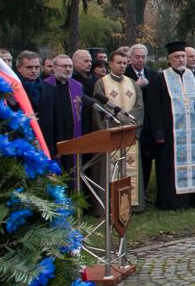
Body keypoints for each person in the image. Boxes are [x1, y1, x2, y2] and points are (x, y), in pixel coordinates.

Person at [148, 41, 195, 210]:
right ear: (169, 60)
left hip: (193, 132)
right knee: (169, 168)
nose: (181, 60)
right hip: (170, 133)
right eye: (177, 57)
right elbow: (154, 106)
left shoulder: (193, 76)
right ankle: (173, 202)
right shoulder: (160, 78)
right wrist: (158, 132)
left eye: (183, 57)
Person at [93, 48, 145, 210]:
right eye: (119, 63)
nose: (122, 66)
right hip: (112, 134)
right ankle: (108, 204)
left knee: (130, 168)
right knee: (111, 169)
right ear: (111, 64)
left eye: (124, 63)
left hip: (130, 133)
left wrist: (131, 125)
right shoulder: (101, 83)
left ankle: (132, 204)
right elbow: (98, 108)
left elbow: (140, 107)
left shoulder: (132, 83)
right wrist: (117, 123)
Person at [44, 53, 86, 174]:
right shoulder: (45, 85)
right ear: (54, 67)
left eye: (70, 66)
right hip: (53, 137)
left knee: (72, 171)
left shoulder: (77, 86)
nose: (68, 69)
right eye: (64, 66)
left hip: (73, 135)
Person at [125, 44, 155, 198]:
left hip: (148, 124)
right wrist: (136, 86)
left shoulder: (152, 74)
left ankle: (144, 191)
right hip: (132, 123)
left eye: (143, 57)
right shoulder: (125, 75)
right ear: (130, 58)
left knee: (147, 158)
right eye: (137, 57)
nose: (141, 60)